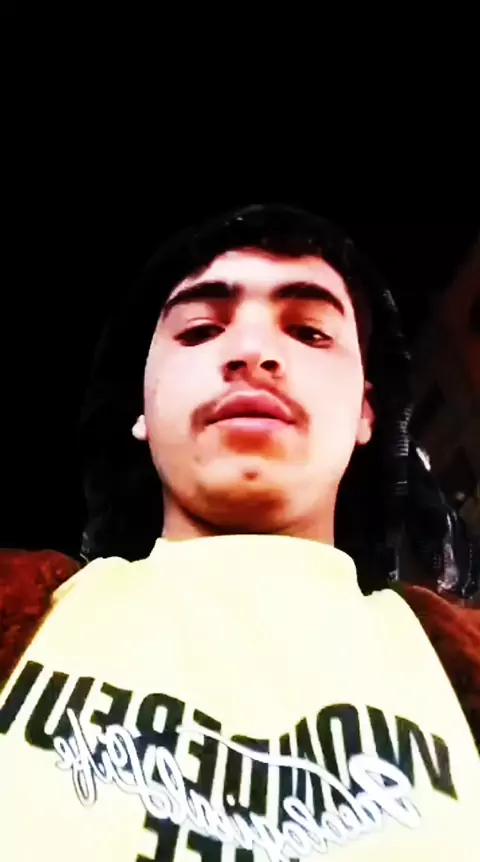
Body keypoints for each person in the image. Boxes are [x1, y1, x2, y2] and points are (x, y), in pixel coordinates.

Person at [1, 204, 479, 861]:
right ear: (142, 407)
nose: (253, 353)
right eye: (200, 330)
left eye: (309, 332)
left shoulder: (460, 660)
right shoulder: (18, 605)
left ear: (366, 413)